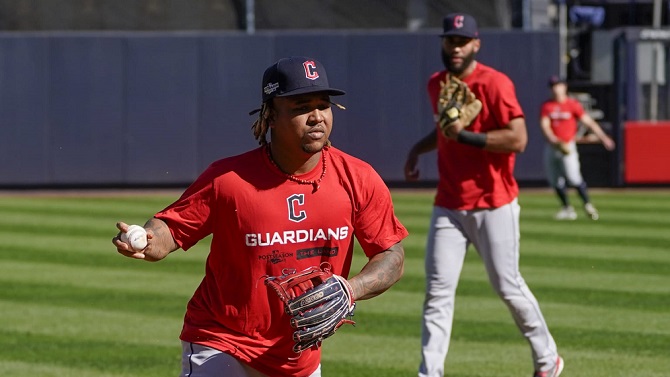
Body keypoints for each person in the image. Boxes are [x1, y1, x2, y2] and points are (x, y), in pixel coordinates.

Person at [113, 56, 408, 377]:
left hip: (299, 356)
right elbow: (169, 228)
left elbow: (391, 254)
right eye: (300, 106)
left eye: (323, 105)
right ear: (270, 115)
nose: (316, 117)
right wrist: (147, 240)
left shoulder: (358, 177)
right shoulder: (228, 179)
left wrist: (353, 289)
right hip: (222, 343)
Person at [404, 13, 563, 377]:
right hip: (448, 203)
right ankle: (430, 372)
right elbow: (445, 132)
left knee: (507, 286)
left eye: (462, 41)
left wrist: (465, 136)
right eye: (450, 40)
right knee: (437, 293)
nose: (455, 47)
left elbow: (518, 139)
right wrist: (417, 149)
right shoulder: (437, 83)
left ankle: (547, 358)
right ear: (443, 43)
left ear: (476, 43)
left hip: (495, 202)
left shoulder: (495, 83)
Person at [540, 75, 616, 220]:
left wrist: (604, 138)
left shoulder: (572, 104)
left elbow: (589, 122)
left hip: (567, 145)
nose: (555, 89)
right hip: (553, 146)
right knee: (554, 180)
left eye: (558, 85)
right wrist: (552, 138)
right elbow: (545, 126)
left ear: (564, 87)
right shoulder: (547, 106)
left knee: (574, 177)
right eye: (553, 86)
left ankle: (587, 204)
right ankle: (567, 208)